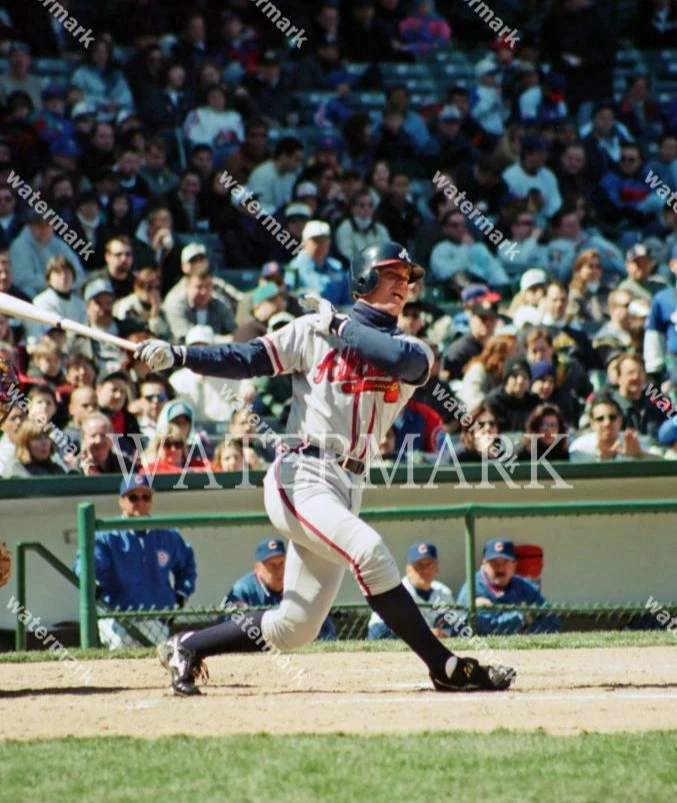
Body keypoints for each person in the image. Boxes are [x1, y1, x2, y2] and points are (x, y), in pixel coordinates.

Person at [135, 241, 515, 695]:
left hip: (350, 483)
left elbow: (400, 362)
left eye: (406, 277)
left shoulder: (412, 346)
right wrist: (180, 355)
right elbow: (246, 358)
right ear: (364, 280)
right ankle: (444, 665)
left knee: (296, 626)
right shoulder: (311, 333)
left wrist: (339, 323)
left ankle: (188, 644)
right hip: (301, 474)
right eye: (391, 274)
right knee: (370, 552)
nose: (402, 285)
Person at [74, 474, 197, 649]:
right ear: (121, 501)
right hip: (117, 618)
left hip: (156, 617)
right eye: (133, 497)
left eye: (145, 497)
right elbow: (85, 562)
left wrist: (181, 594)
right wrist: (91, 581)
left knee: (158, 661)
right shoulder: (107, 534)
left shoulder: (168, 534)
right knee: (121, 656)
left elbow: (187, 565)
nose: (140, 502)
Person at [223, 538, 336, 641]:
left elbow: (322, 621)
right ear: (257, 569)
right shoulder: (243, 590)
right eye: (272, 566)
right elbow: (226, 626)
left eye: (282, 564)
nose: (279, 571)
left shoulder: (297, 584)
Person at [457, 539, 561, 636]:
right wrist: (523, 618)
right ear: (484, 563)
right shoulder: (473, 588)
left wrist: (524, 631)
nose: (500, 568)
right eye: (494, 562)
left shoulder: (524, 586)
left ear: (514, 564)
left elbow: (553, 621)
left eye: (505, 562)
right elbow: (485, 629)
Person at [368, 541, 455, 640]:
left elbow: (455, 629)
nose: (425, 570)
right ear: (408, 570)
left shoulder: (444, 593)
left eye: (429, 564)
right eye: (419, 565)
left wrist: (441, 634)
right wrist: (423, 634)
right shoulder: (395, 591)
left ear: (437, 568)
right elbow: (379, 632)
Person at [570, 392, 659, 462]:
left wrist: (639, 455)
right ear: (592, 423)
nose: (607, 423)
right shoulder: (580, 448)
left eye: (612, 417)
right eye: (600, 419)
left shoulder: (636, 442)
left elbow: (666, 464)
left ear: (620, 420)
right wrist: (603, 460)